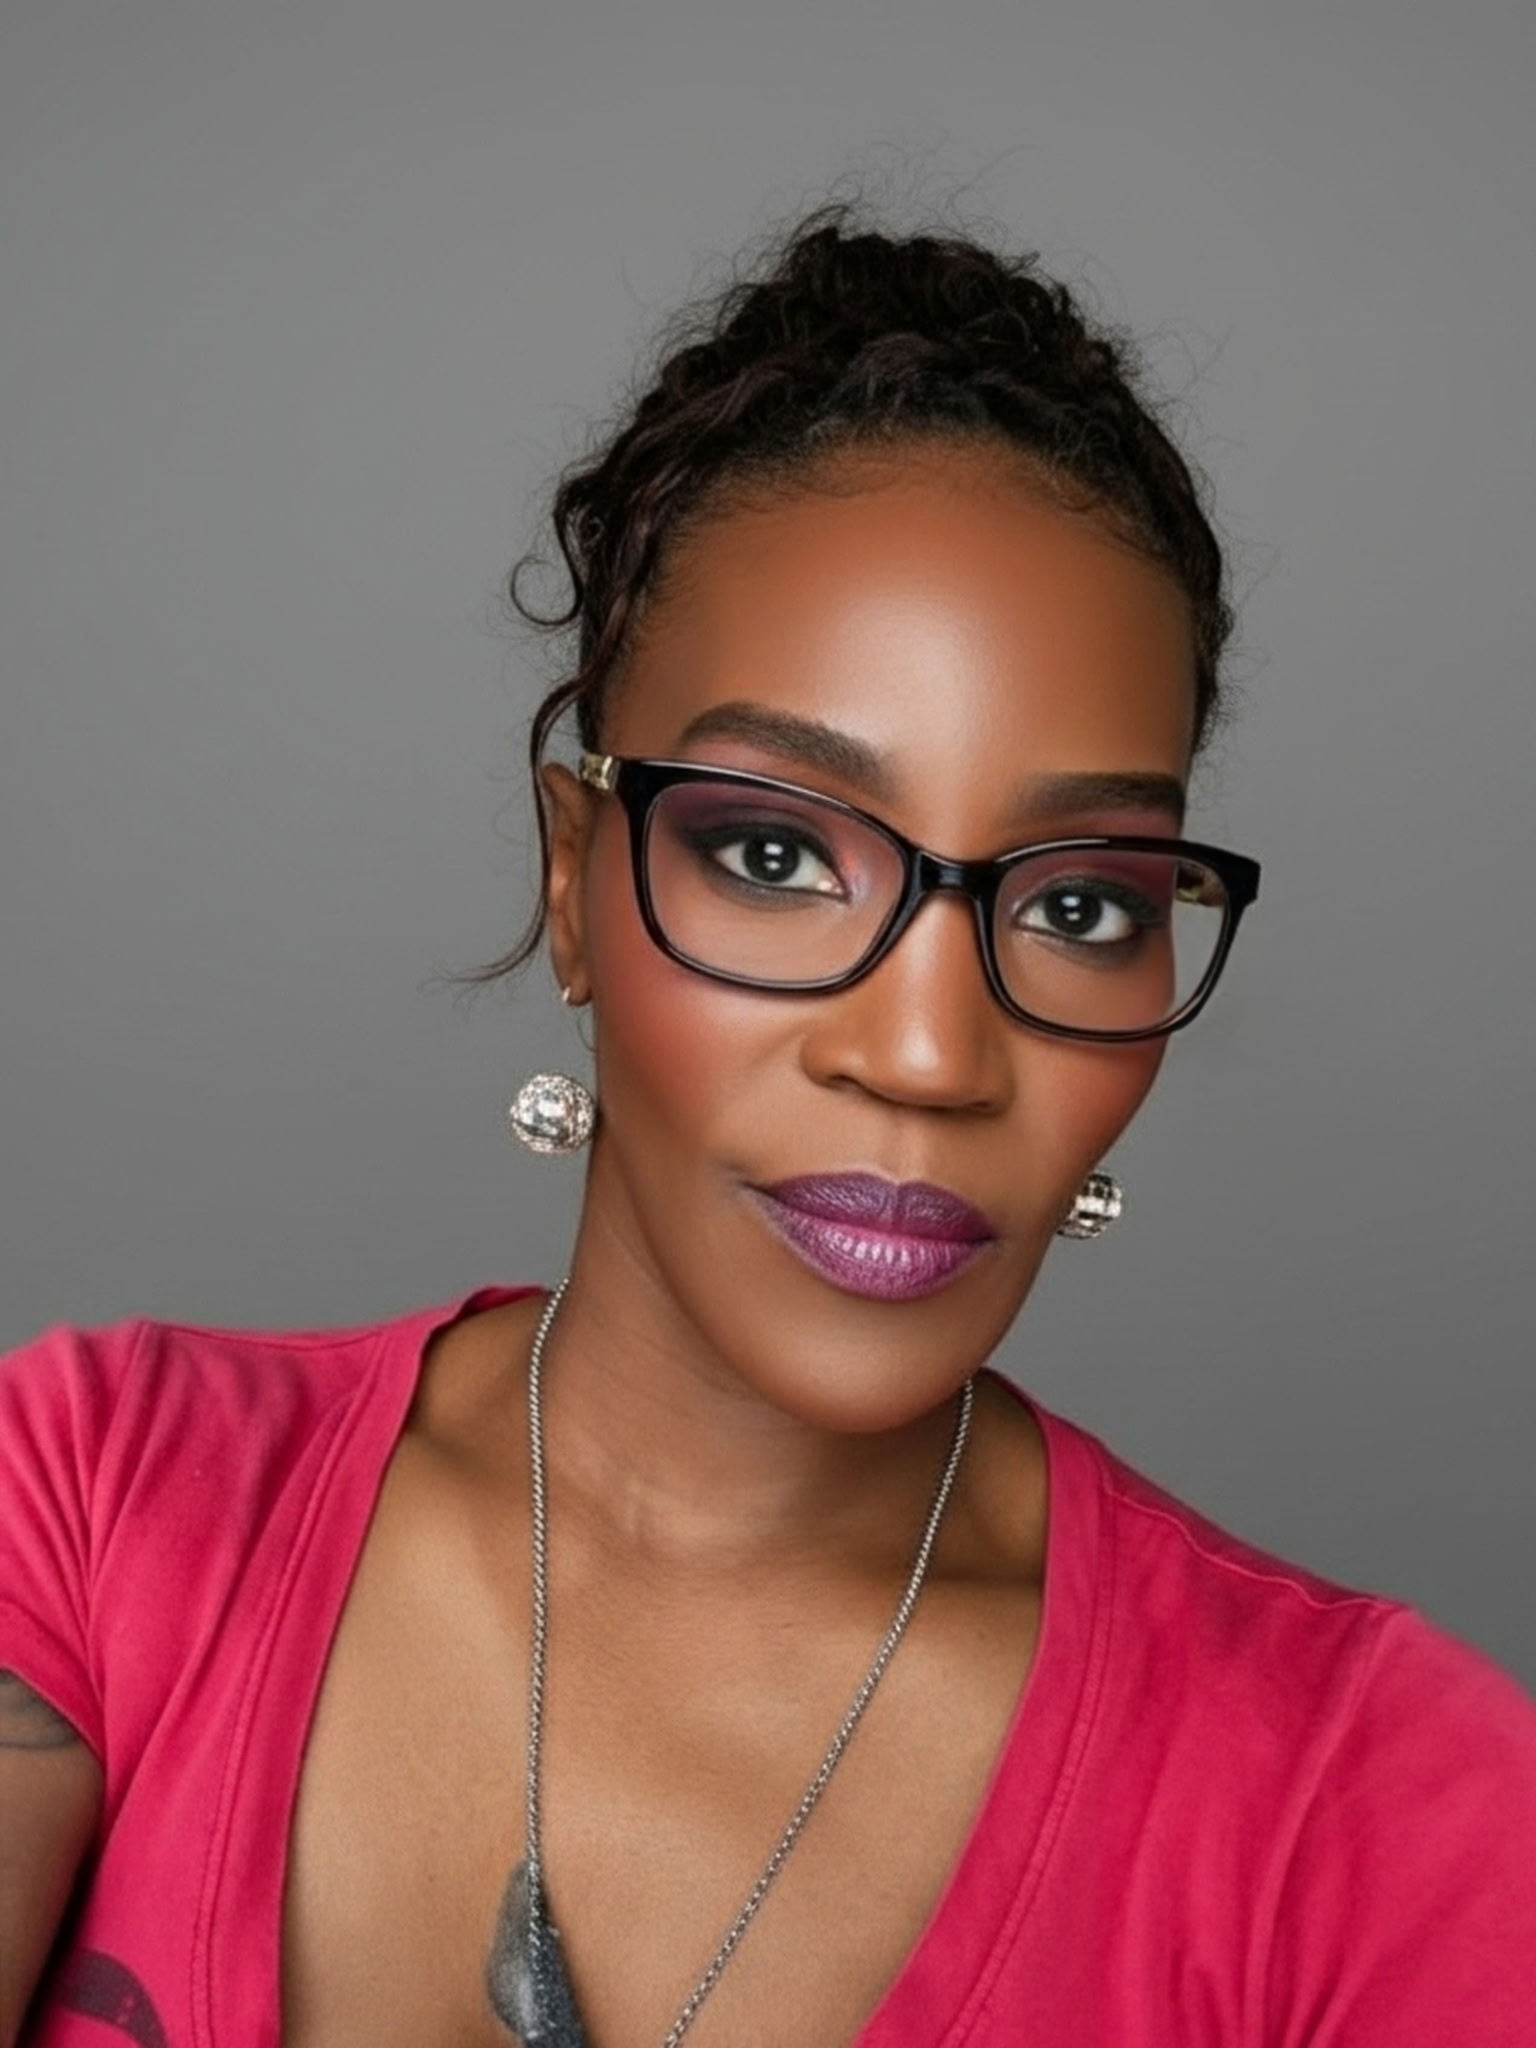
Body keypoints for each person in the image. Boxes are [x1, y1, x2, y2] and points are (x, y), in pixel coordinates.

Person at [3, 206, 1534, 2048]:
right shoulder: (92, 1499)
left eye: (1078, 901)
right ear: (573, 883)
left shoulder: (1380, 1820)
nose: (929, 1053)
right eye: (777, 853)